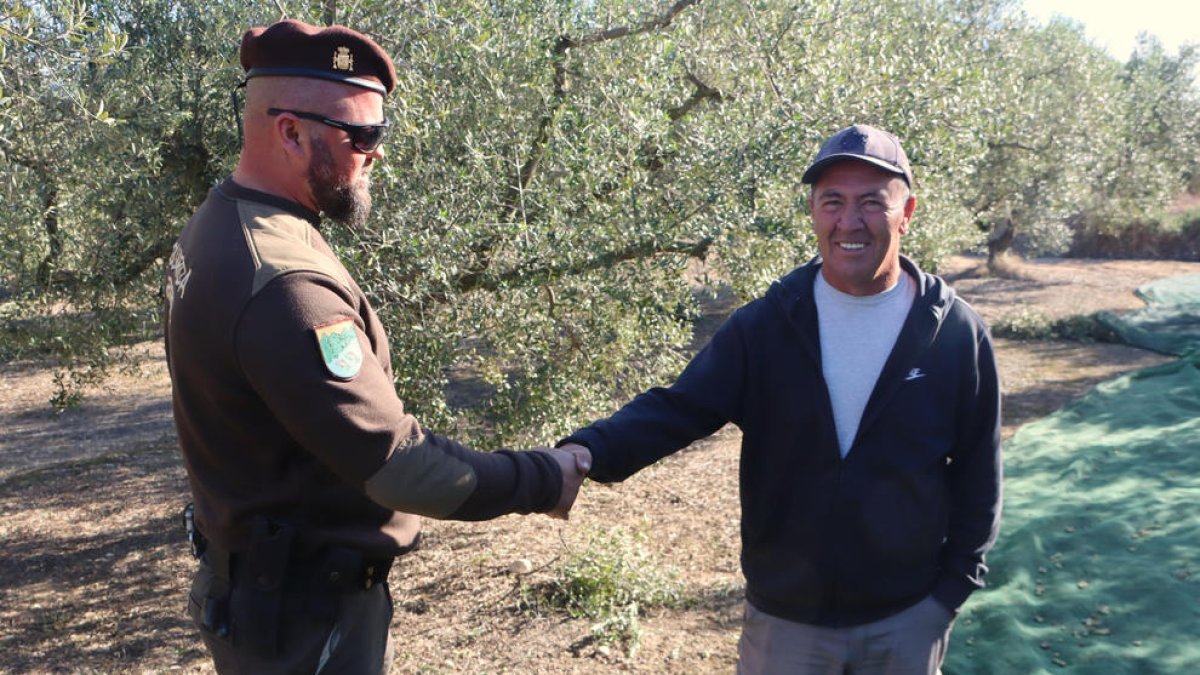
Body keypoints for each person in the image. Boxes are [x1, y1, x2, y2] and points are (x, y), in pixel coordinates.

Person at [164, 20, 588, 674]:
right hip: (307, 619)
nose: (377, 153)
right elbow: (400, 465)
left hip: (259, 593)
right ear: (290, 131)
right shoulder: (284, 285)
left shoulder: (219, 220)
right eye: (362, 134)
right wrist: (543, 477)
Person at [559, 124, 1002, 674]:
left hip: (906, 620)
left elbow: (980, 471)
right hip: (787, 625)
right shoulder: (768, 325)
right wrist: (584, 453)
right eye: (832, 202)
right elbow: (679, 409)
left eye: (871, 203)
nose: (849, 222)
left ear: (906, 212)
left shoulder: (955, 333)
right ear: (813, 210)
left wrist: (949, 595)